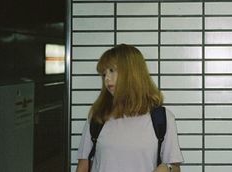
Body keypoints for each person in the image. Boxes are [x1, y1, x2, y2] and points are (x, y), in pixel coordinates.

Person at [76, 44, 183, 172]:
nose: (107, 79)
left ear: (132, 73)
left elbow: (174, 167)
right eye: (104, 74)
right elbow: (83, 166)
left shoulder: (161, 118)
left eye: (112, 70)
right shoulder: (98, 115)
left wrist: (167, 168)